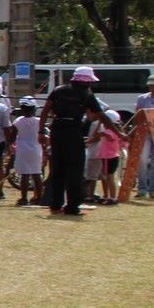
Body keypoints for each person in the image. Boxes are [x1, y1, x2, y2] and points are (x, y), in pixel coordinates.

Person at [39, 65, 107, 218]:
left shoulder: (58, 90)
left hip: (56, 129)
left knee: (57, 169)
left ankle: (55, 205)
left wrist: (40, 131)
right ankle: (72, 207)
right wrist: (119, 133)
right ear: (86, 81)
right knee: (75, 170)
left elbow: (44, 111)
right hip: (73, 131)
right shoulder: (86, 94)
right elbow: (101, 116)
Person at [10, 97, 45, 206]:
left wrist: (11, 145)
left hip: (22, 150)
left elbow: (12, 137)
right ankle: (39, 198)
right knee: (37, 175)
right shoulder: (39, 121)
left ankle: (24, 198)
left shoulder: (18, 121)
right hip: (36, 150)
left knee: (24, 175)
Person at [88, 109, 125, 206]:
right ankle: (110, 196)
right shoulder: (117, 132)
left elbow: (95, 134)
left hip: (108, 157)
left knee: (109, 177)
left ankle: (112, 197)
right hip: (111, 157)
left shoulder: (108, 132)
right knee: (108, 177)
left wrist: (100, 122)